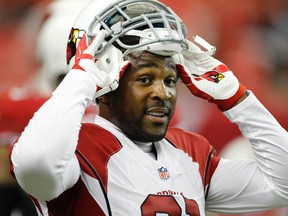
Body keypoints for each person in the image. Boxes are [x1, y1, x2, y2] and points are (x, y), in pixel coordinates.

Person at [9, 0, 288, 215]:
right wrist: (82, 77)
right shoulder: (78, 147)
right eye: (145, 79)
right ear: (105, 81)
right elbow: (36, 167)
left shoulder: (190, 151)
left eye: (169, 79)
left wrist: (238, 99)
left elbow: (283, 185)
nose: (162, 93)